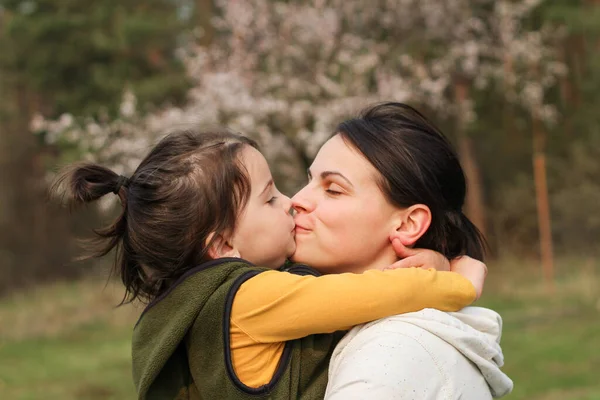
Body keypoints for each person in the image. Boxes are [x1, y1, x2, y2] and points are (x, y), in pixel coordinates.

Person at [51, 127, 486, 399]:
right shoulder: (250, 297)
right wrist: (454, 280)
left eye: (331, 189)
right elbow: (369, 293)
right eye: (270, 198)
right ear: (223, 245)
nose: (292, 202)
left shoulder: (218, 298)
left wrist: (426, 258)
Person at [291, 102, 513, 399]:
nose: (296, 200)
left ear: (408, 224)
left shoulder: (385, 360)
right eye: (309, 181)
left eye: (333, 189)